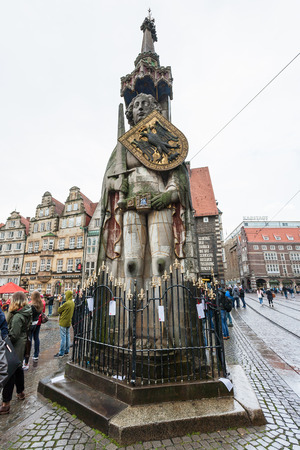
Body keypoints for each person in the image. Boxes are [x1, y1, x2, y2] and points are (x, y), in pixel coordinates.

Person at [97, 93, 197, 291]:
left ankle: (163, 313)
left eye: (145, 104)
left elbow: (178, 174)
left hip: (160, 200)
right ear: (131, 113)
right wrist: (116, 186)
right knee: (131, 264)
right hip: (131, 205)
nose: (140, 108)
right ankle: (132, 309)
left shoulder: (162, 136)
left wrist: (170, 193)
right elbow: (108, 181)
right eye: (136, 105)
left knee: (161, 262)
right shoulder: (122, 148)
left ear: (154, 109)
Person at [0, 291, 32, 415]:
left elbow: (13, 335)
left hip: (15, 346)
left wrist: (5, 338)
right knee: (18, 368)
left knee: (9, 372)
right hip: (21, 344)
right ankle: (20, 392)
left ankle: (6, 404)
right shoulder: (24, 313)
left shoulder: (17, 316)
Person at [23, 291, 45, 369]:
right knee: (36, 338)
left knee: (29, 340)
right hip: (37, 324)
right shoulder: (41, 304)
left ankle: (26, 359)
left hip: (31, 324)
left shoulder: (31, 305)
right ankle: (36, 355)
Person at [54, 290, 75, 358]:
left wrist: (60, 302)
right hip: (68, 321)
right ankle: (66, 351)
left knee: (63, 337)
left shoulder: (67, 303)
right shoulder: (72, 302)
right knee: (67, 336)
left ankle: (61, 353)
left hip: (63, 322)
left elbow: (59, 310)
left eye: (66, 295)